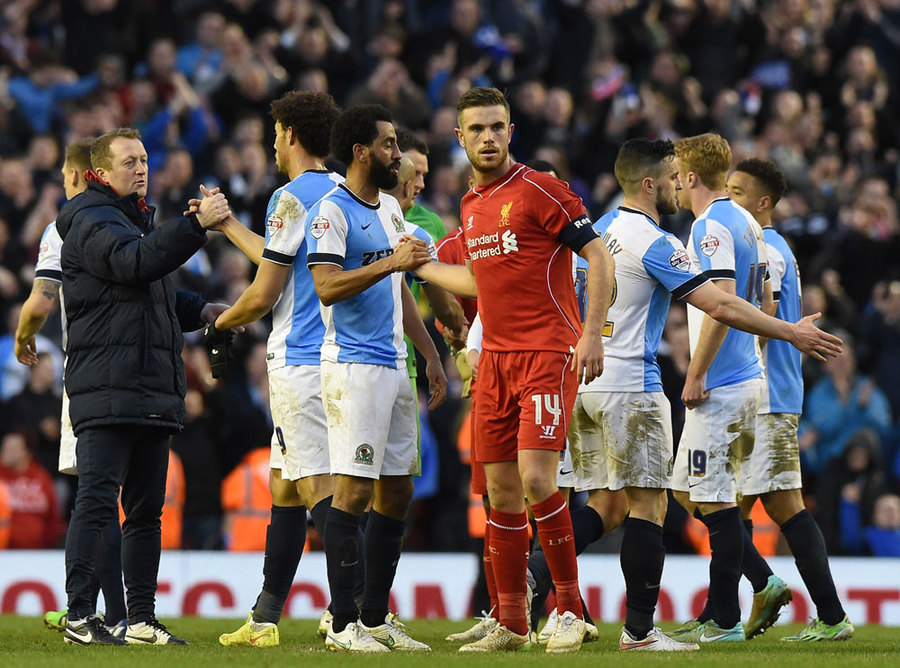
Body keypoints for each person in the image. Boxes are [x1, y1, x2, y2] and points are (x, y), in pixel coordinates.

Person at [565, 139, 841, 650]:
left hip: (588, 380)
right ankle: (656, 629)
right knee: (669, 503)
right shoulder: (685, 235)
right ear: (652, 183)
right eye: (670, 175)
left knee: (621, 503)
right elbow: (724, 304)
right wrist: (786, 334)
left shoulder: (594, 233)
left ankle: (543, 583)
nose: (676, 182)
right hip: (649, 385)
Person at [415, 86, 616, 654]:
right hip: (495, 362)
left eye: (497, 127)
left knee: (535, 480)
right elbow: (480, 282)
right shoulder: (472, 206)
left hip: (547, 353)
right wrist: (425, 267)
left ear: (511, 130)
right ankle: (510, 622)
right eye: (477, 129)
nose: (488, 137)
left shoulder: (539, 189)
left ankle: (571, 611)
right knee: (499, 493)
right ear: (460, 137)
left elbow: (597, 256)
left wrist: (590, 333)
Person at [56, 127, 231, 646]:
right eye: (129, 161)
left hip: (150, 388)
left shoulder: (135, 223)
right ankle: (81, 615)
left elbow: (156, 294)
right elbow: (135, 265)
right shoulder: (89, 220)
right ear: (99, 173)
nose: (141, 168)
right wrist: (195, 224)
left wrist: (203, 310)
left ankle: (140, 620)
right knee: (96, 500)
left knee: (147, 513)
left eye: (144, 159)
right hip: (107, 386)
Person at [207, 90, 349, 648]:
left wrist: (220, 324)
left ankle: (353, 613)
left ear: (289, 132)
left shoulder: (289, 196)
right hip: (339, 359)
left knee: (317, 487)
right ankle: (265, 618)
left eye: (274, 131)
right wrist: (227, 226)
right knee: (284, 487)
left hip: (298, 361)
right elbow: (280, 258)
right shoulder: (343, 193)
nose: (270, 140)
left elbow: (265, 293)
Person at [668, 133, 823, 643]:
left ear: (690, 176)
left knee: (713, 500)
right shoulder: (750, 225)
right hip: (748, 381)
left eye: (676, 175)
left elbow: (725, 304)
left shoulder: (710, 224)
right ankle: (757, 585)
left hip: (724, 382)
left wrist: (697, 371)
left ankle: (725, 621)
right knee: (692, 492)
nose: (673, 183)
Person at [306, 104, 447, 653]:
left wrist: (430, 352)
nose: (399, 155)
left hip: (394, 365)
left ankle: (374, 614)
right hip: (353, 367)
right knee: (355, 489)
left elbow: (398, 292)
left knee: (397, 491)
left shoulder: (390, 207)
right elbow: (326, 286)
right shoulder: (330, 211)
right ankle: (342, 624)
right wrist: (390, 263)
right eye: (389, 145)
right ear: (362, 151)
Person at [726, 158, 854, 641]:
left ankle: (809, 607)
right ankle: (746, 602)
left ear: (762, 203)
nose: (727, 200)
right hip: (769, 395)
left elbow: (763, 320)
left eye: (736, 192)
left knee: (738, 505)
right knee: (736, 507)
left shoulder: (765, 250)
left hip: (764, 396)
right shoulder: (773, 246)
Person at [14, 139, 128, 638]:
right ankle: (126, 614)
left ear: (82, 176)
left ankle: (96, 611)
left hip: (87, 373)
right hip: (138, 374)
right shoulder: (134, 223)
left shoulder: (64, 227)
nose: (62, 185)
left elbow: (41, 300)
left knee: (93, 495)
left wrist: (22, 337)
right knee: (123, 498)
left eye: (65, 176)